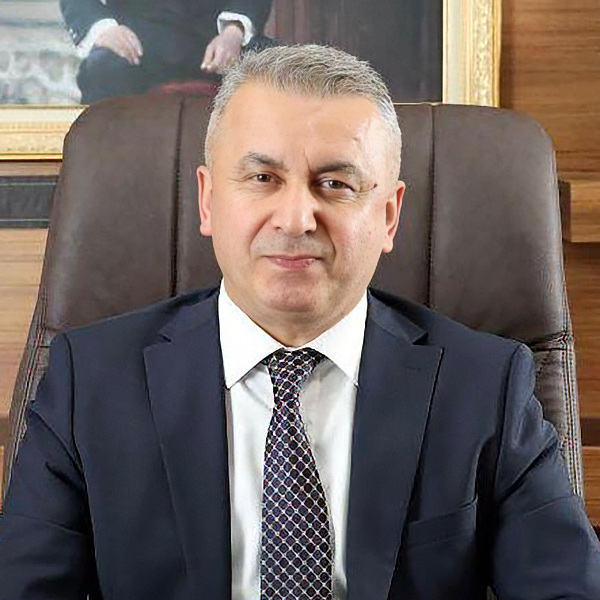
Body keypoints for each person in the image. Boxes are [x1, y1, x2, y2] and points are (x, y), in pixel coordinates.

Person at [1, 44, 599, 599]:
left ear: (389, 215)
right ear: (207, 201)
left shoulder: (486, 387)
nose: (296, 218)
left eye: (334, 184)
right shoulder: (90, 383)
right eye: (263, 178)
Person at [60, 0, 273, 103]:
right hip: (138, 42)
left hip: (216, 39)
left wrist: (234, 31)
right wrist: (105, 29)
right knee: (104, 68)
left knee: (281, 68)